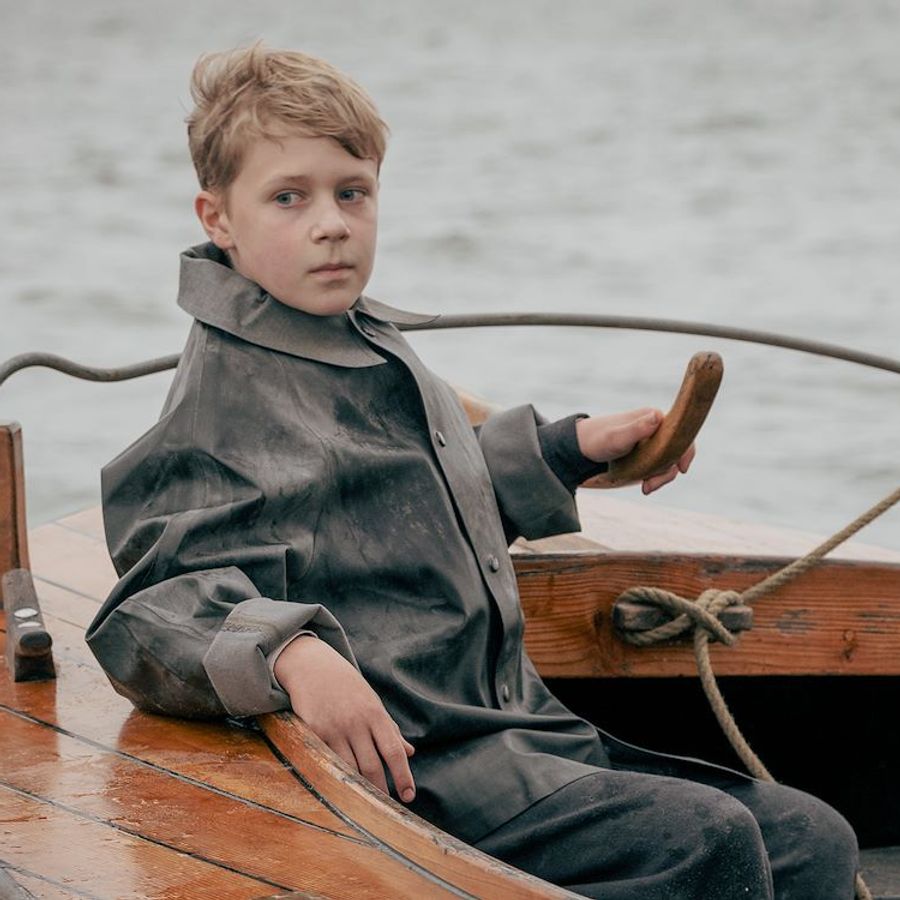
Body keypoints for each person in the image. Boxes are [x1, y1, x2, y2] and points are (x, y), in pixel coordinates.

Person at [85, 44, 859, 899]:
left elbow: (400, 498)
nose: (331, 223)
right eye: (288, 198)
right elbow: (149, 609)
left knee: (813, 840)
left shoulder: (350, 337)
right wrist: (294, 653)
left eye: (352, 192)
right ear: (218, 217)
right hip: (422, 775)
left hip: (520, 733)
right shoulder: (221, 405)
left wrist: (567, 450)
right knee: (704, 843)